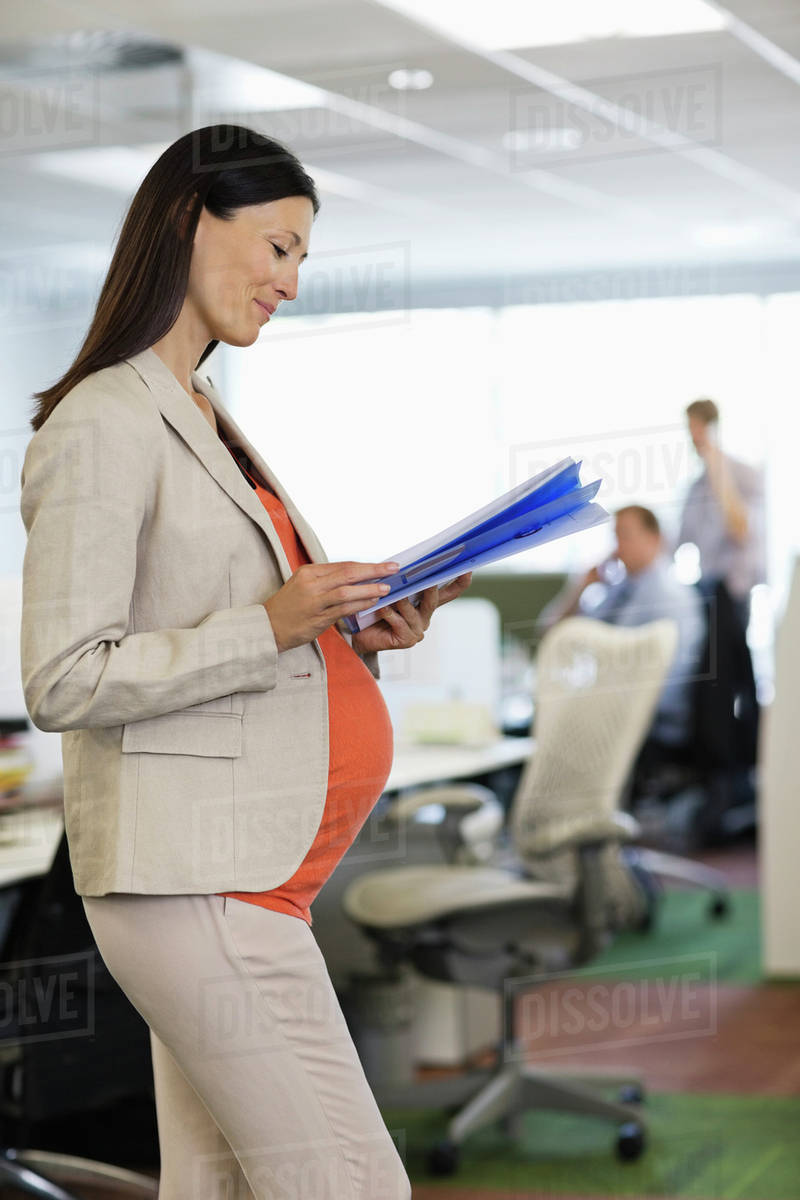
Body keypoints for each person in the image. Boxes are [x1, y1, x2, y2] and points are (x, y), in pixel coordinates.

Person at [19, 125, 472, 1200]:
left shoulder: (203, 415)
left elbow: (225, 621)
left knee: (217, 1187)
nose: (291, 282)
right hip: (194, 880)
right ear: (187, 220)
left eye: (300, 258)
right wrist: (273, 622)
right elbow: (65, 677)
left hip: (244, 877)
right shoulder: (104, 419)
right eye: (277, 247)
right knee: (351, 1186)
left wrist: (346, 631)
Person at [543, 505, 705, 750]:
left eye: (625, 536)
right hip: (608, 710)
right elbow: (553, 634)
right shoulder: (620, 589)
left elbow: (665, 687)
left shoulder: (671, 597)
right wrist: (581, 587)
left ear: (655, 539)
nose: (617, 548)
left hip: (648, 725)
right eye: (615, 537)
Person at [677, 397, 766, 632]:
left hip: (734, 592)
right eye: (690, 429)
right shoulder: (695, 487)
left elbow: (740, 529)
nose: (693, 438)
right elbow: (678, 539)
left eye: (697, 428)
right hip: (706, 588)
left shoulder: (744, 474)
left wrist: (716, 463)